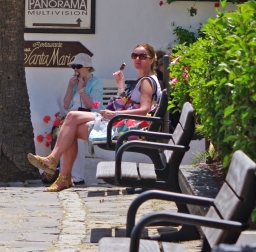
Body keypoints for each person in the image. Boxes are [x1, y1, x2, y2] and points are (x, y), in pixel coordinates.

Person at [29, 43, 162, 192]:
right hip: (122, 124)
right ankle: (61, 174)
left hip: (126, 128)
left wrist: (115, 114)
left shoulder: (146, 81)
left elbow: (143, 110)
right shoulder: (143, 80)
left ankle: (56, 166)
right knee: (70, 127)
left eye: (142, 56)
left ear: (151, 59)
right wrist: (120, 86)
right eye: (134, 55)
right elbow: (124, 104)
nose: (137, 59)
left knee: (71, 120)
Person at [58, 53, 102, 185]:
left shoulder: (96, 82)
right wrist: (70, 86)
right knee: (64, 135)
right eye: (74, 67)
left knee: (76, 137)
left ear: (87, 67)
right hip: (73, 114)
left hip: (88, 115)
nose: (76, 69)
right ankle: (63, 174)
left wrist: (81, 90)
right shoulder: (74, 82)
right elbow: (66, 105)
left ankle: (77, 176)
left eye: (79, 66)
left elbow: (91, 105)